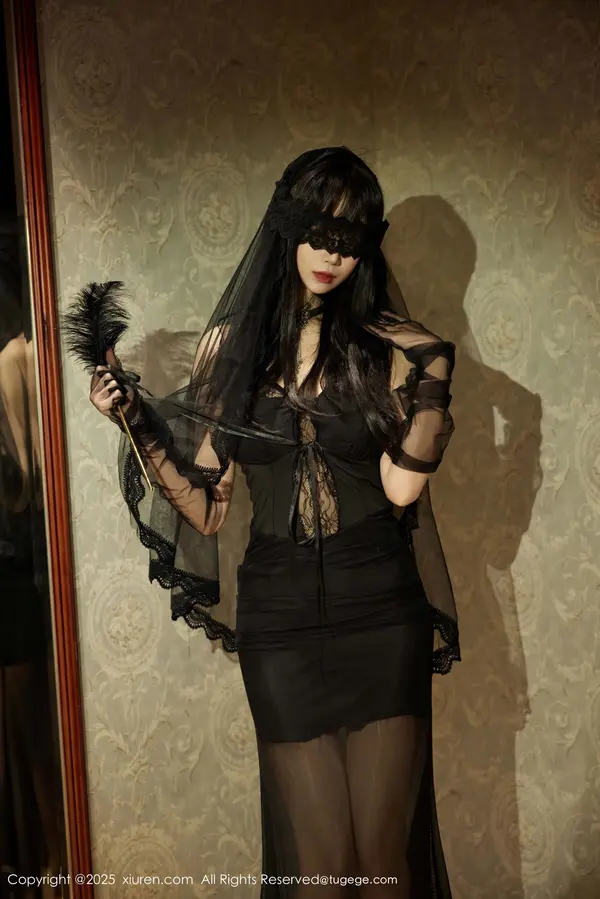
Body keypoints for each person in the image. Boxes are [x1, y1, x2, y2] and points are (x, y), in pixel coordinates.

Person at [89, 146, 459, 898]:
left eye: (348, 240)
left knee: (384, 867)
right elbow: (207, 506)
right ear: (287, 227)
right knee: (320, 870)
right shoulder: (231, 350)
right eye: (317, 232)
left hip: (380, 612)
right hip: (281, 624)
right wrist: (136, 423)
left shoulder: (382, 346)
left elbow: (398, 489)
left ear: (367, 248)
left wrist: (434, 375)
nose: (330, 255)